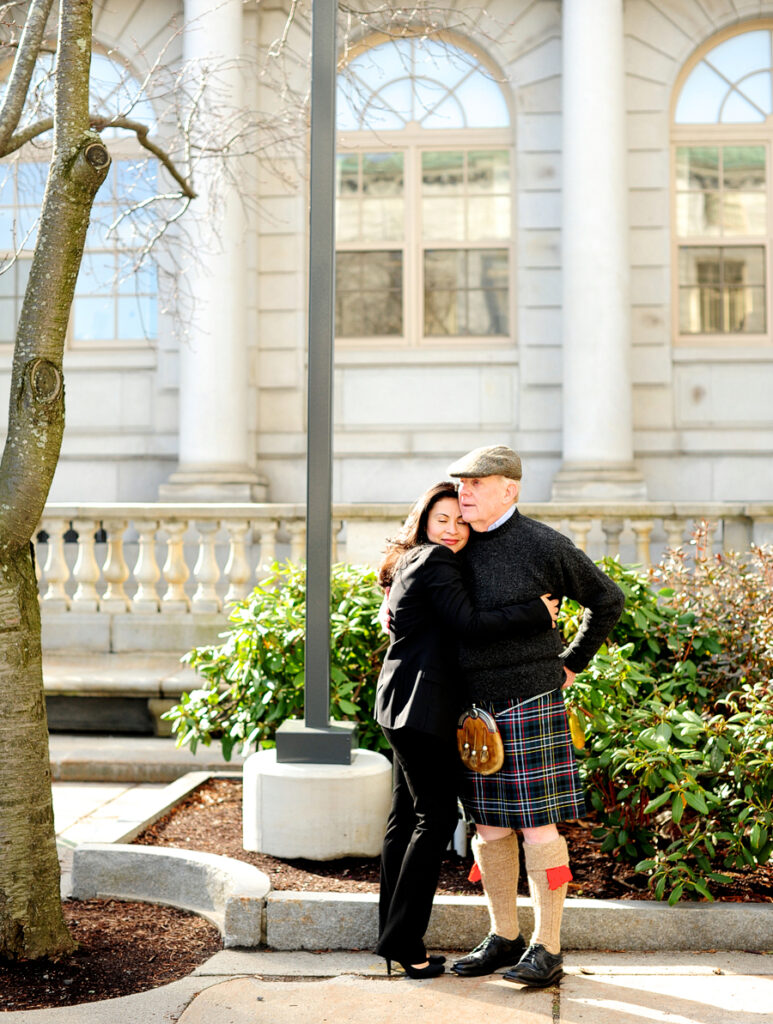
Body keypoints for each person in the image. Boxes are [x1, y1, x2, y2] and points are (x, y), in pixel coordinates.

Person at [446, 446, 625, 988]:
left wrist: (573, 661)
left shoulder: (543, 544)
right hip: (472, 710)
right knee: (490, 826)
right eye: (461, 482)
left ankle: (549, 948)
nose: (466, 491)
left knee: (536, 826)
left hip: (528, 702)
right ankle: (505, 937)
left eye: (479, 482)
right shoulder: (454, 544)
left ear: (511, 488)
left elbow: (607, 599)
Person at [374, 481, 559, 979]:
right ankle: (405, 943)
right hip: (425, 710)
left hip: (398, 704)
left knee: (403, 821)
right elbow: (470, 623)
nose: (453, 529)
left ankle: (391, 936)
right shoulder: (436, 561)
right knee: (432, 822)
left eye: (461, 521)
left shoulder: (410, 562)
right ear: (424, 522)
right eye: (442, 520)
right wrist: (536, 612)